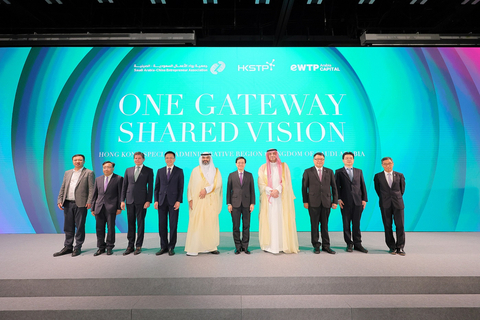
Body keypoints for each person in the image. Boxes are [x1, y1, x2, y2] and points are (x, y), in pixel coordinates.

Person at [258, 149, 298, 254]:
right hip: (269, 199)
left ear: (277, 155)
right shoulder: (263, 167)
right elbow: (261, 183)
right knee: (270, 221)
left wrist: (278, 190)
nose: (272, 156)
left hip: (281, 198)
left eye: (273, 154)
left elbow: (287, 181)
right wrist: (271, 191)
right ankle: (270, 246)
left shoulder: (284, 166)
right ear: (267, 155)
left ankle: (281, 245)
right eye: (270, 154)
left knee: (281, 220)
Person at [54, 154, 95, 257]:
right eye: (75, 160)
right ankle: (68, 247)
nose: (78, 162)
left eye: (80, 160)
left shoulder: (89, 173)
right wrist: (60, 199)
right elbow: (63, 186)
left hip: (81, 204)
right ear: (72, 161)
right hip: (67, 202)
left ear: (84, 161)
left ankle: (77, 247)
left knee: (80, 226)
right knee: (68, 226)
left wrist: (90, 201)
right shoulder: (67, 173)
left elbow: (91, 189)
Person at [185, 152, 223, 256]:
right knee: (197, 223)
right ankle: (194, 248)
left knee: (210, 224)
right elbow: (190, 186)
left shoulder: (216, 171)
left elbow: (218, 184)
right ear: (201, 159)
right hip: (198, 201)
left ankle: (211, 247)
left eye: (207, 157)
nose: (205, 159)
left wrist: (206, 190)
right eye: (203, 158)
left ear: (210, 159)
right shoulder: (195, 170)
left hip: (211, 202)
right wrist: (190, 199)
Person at [302, 152, 338, 254]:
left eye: (321, 159)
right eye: (317, 159)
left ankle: (326, 246)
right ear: (314, 160)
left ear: (324, 160)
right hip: (313, 202)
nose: (319, 161)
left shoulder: (329, 171)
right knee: (314, 225)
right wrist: (305, 201)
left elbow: (334, 187)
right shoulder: (308, 171)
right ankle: (316, 245)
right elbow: (304, 188)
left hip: (326, 202)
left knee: (325, 225)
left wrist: (335, 201)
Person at [120, 152, 154, 256]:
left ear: (143, 159)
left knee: (140, 223)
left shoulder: (149, 170)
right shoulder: (128, 170)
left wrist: (148, 201)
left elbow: (150, 187)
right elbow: (124, 186)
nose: (137, 160)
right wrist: (122, 200)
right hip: (129, 200)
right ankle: (130, 245)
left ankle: (138, 245)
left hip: (142, 201)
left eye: (139, 158)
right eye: (135, 158)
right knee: (130, 223)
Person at [335, 152, 368, 253]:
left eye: (351, 158)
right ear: (343, 160)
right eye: (346, 158)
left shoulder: (359, 171)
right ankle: (349, 243)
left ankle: (358, 243)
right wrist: (338, 199)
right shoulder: (339, 172)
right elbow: (336, 187)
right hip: (345, 202)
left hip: (358, 202)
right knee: (346, 224)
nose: (349, 160)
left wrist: (364, 199)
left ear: (353, 160)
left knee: (357, 224)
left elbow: (363, 185)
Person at [154, 151, 184, 256]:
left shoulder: (179, 171)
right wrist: (156, 200)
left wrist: (178, 201)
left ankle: (171, 247)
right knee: (162, 225)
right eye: (167, 158)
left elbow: (181, 188)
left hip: (173, 202)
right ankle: (163, 247)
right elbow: (156, 187)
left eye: (171, 158)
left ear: (174, 159)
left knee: (173, 225)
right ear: (165, 159)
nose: (169, 159)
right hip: (161, 201)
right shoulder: (160, 171)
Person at [374, 157, 406, 256]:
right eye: (385, 164)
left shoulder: (400, 175)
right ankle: (391, 247)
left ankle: (400, 247)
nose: (388, 165)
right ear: (382, 165)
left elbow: (402, 190)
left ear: (393, 164)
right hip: (385, 204)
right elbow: (378, 190)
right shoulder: (378, 176)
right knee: (387, 226)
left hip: (398, 204)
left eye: (389, 163)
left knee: (400, 225)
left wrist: (395, 198)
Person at [91, 161, 123, 256]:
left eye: (108, 167)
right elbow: (94, 194)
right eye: (104, 167)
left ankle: (109, 247)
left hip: (112, 207)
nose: (106, 169)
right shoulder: (98, 179)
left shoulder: (118, 178)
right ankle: (101, 247)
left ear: (113, 168)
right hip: (99, 207)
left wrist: (118, 208)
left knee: (110, 228)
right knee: (99, 228)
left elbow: (120, 194)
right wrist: (93, 208)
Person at [226, 156, 255, 254]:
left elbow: (252, 190)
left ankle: (245, 246)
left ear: (245, 164)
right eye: (239, 162)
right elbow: (228, 190)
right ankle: (237, 247)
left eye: (242, 162)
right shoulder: (231, 175)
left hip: (247, 204)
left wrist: (252, 203)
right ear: (236, 164)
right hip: (235, 204)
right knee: (236, 226)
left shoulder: (249, 175)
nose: (240, 164)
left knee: (246, 226)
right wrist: (229, 203)